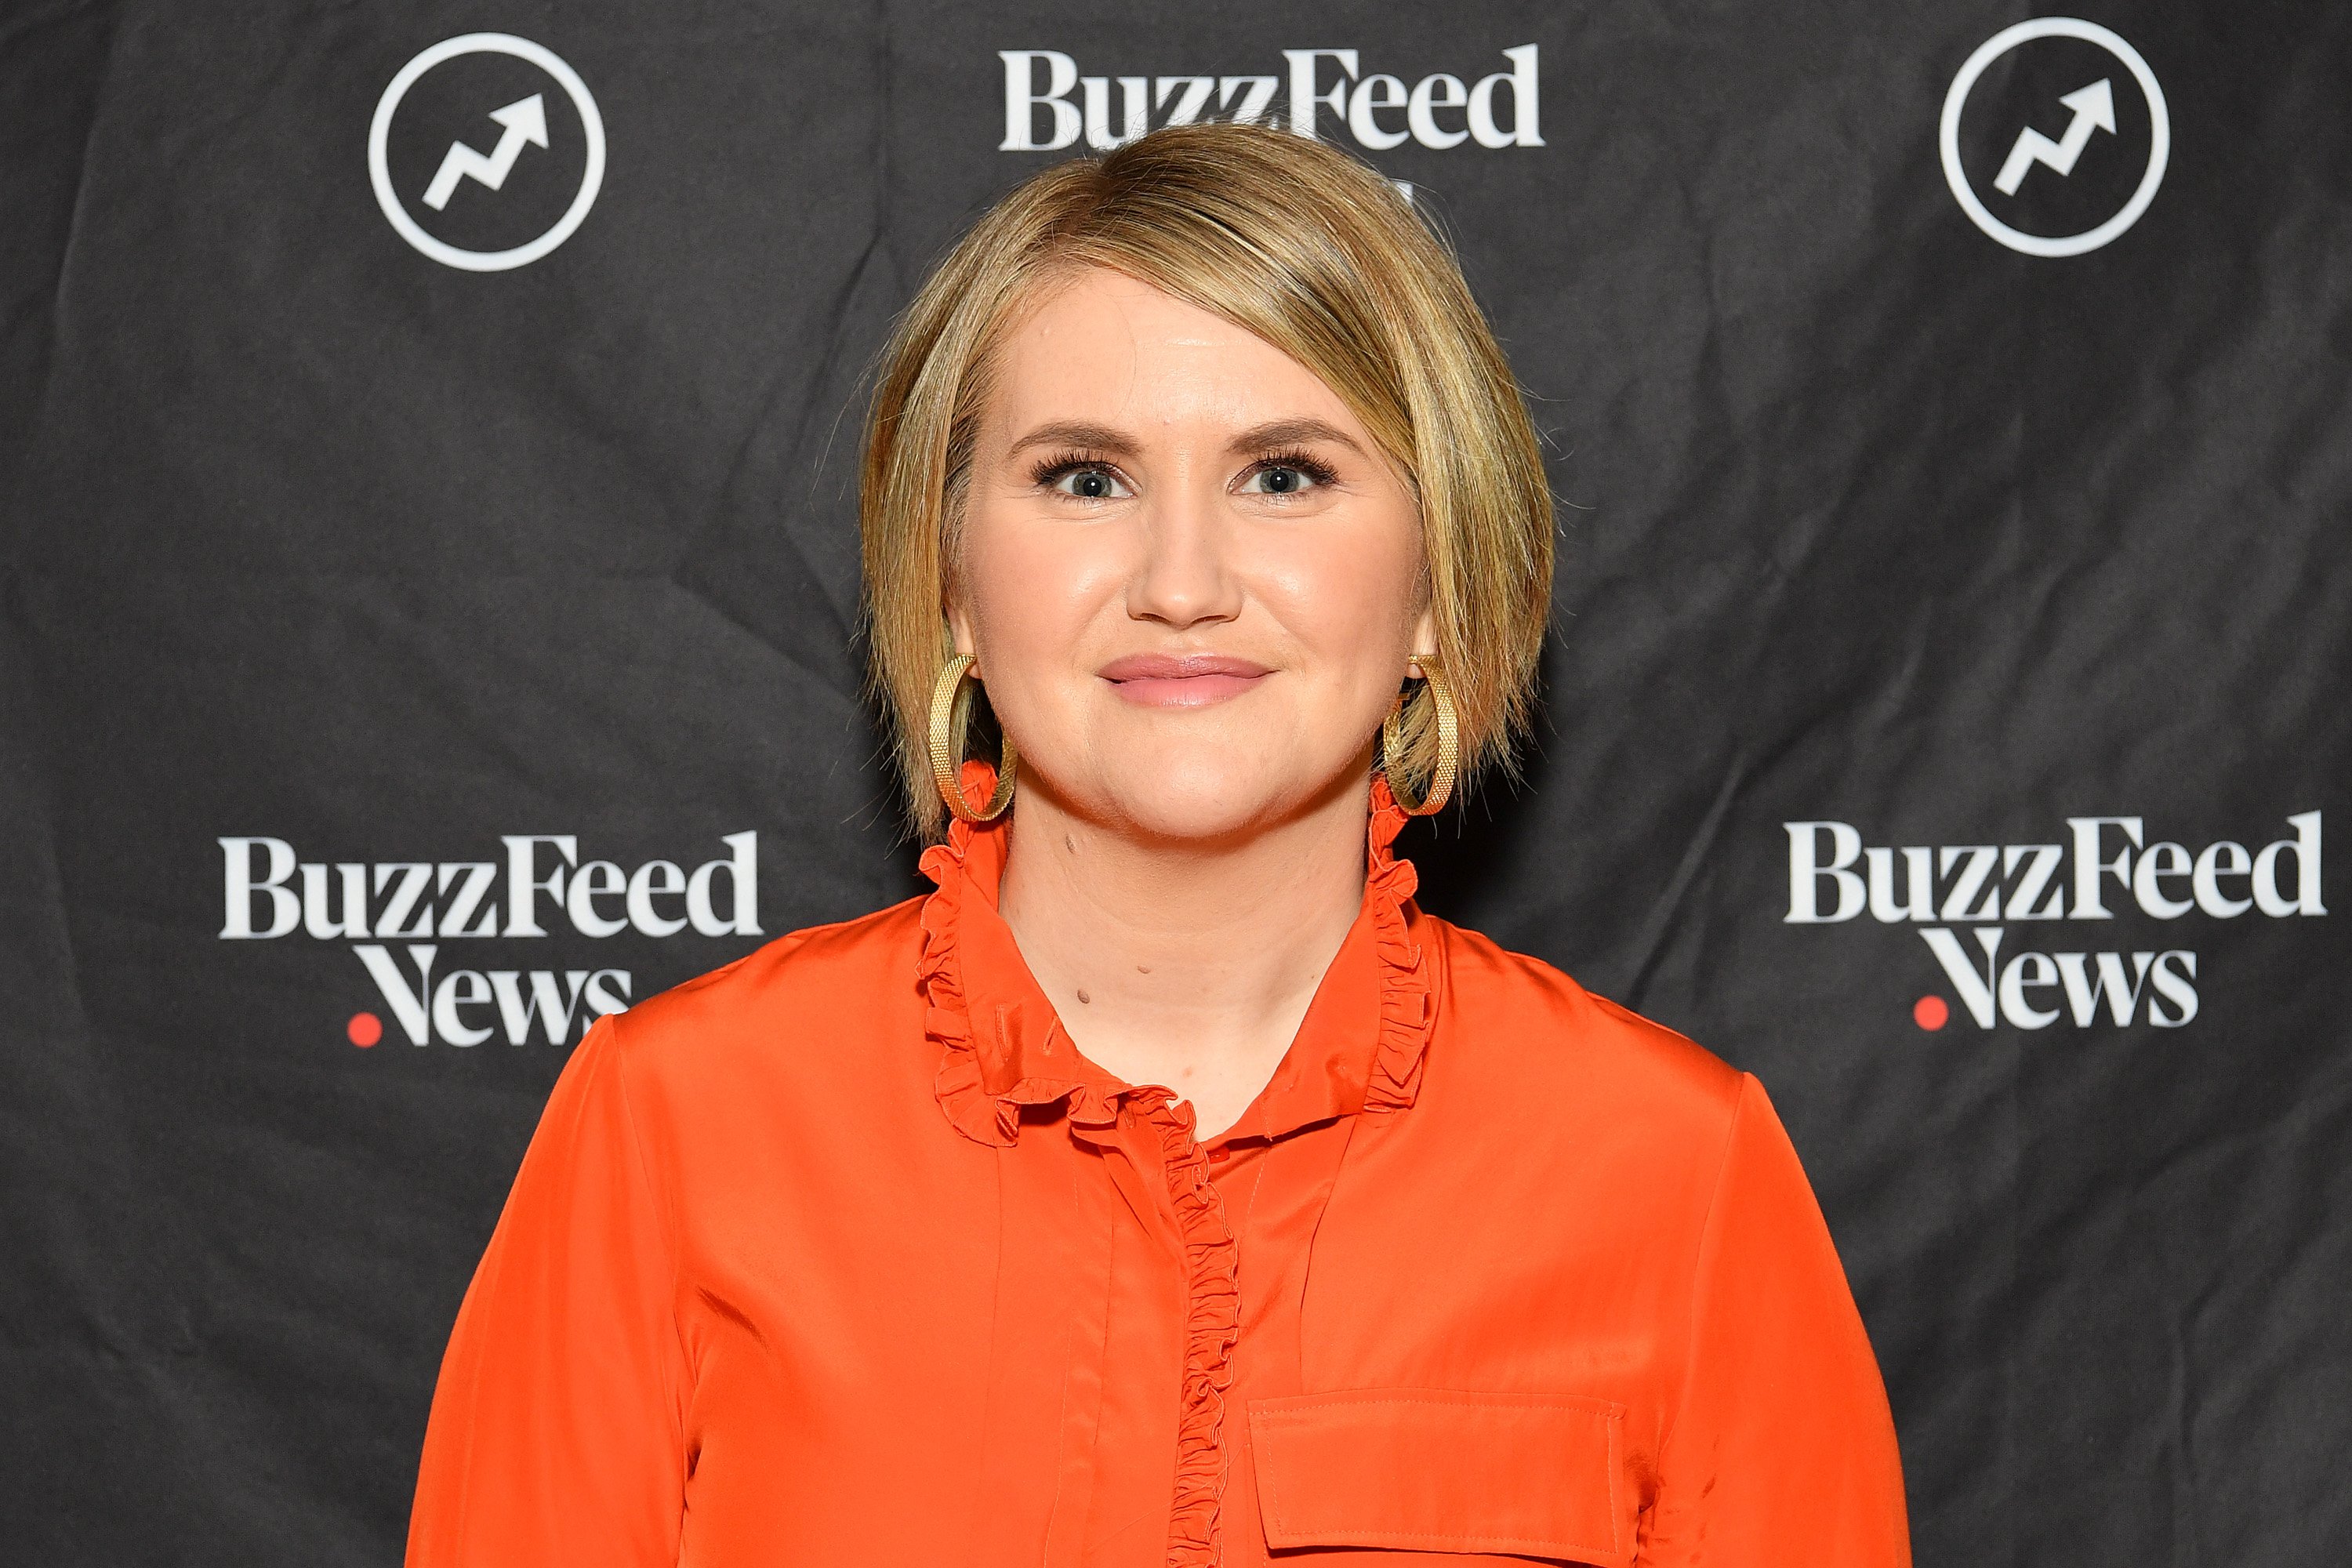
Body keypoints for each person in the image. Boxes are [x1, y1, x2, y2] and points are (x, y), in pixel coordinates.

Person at [404, 122, 1910, 1568]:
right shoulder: (675, 1129)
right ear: (955, 591)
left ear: (1441, 586)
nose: (1182, 582)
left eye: (1284, 474)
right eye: (1084, 478)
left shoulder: (1673, 1174)